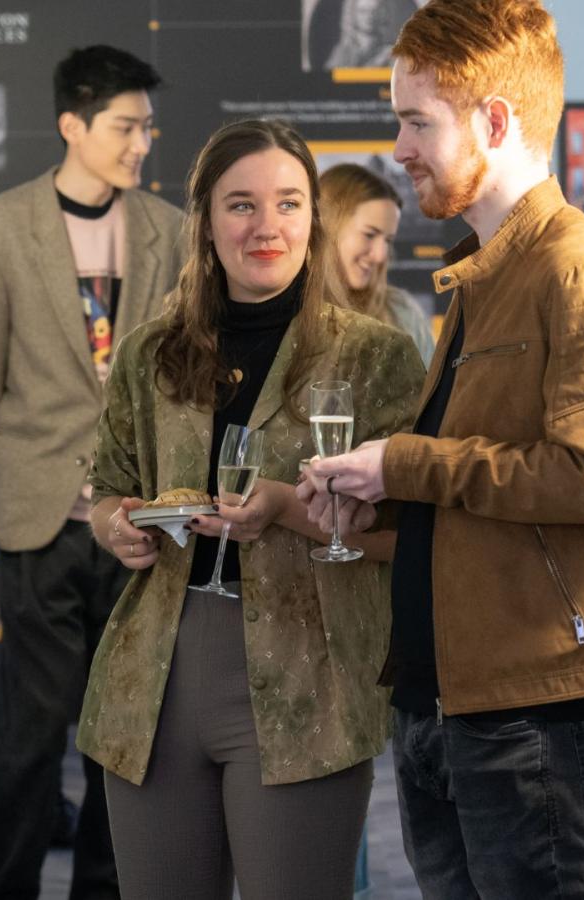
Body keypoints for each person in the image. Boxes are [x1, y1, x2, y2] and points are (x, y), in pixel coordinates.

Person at [303, 1, 584, 897]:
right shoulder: (486, 272)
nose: (398, 147)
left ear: (494, 121)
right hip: (450, 699)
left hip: (528, 713)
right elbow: (488, 472)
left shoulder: (576, 274)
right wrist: (376, 497)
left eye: (416, 121)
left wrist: (403, 464)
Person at [77, 118, 424, 900]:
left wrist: (285, 511)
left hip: (310, 676)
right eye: (241, 205)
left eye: (288, 203)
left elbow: (413, 535)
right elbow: (108, 488)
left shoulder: (376, 357)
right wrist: (116, 527)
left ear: (314, 219)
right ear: (204, 223)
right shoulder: (148, 352)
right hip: (154, 681)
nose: (266, 225)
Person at [0, 45, 185, 900]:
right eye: (125, 126)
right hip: (40, 519)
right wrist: (18, 477)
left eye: (147, 127)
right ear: (72, 125)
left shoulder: (169, 230)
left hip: (140, 526)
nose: (141, 143)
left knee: (123, 738)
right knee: (27, 734)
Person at [318, 162, 436, 364]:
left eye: (388, 240)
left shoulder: (403, 313)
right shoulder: (285, 315)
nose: (381, 255)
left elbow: (439, 392)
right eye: (369, 235)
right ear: (328, 228)